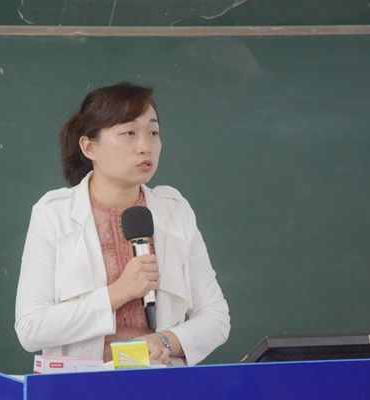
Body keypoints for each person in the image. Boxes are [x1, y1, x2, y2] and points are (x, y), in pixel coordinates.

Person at [14, 82, 230, 366]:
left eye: (153, 133)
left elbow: (216, 316)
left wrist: (164, 340)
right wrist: (118, 292)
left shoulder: (175, 211)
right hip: (81, 383)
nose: (145, 147)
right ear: (89, 147)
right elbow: (30, 328)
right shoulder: (54, 214)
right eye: (129, 133)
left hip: (160, 378)